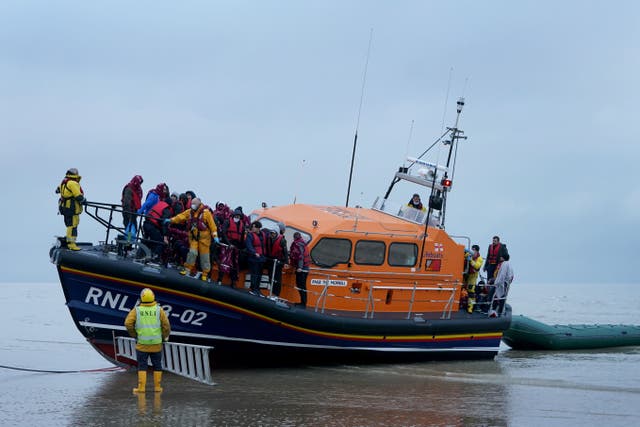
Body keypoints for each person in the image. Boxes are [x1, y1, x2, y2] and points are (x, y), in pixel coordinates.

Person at [124, 288, 171, 393]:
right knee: (157, 365)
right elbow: (166, 326)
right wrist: (164, 337)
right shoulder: (159, 310)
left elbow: (128, 323)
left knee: (142, 366)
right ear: (153, 297)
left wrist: (134, 335)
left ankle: (141, 388)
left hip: (142, 345)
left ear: (141, 298)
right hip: (156, 344)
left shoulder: (137, 310)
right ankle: (158, 388)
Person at [166, 197, 219, 282]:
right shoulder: (189, 212)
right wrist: (171, 220)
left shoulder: (206, 213)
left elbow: (213, 226)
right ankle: (187, 269)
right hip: (194, 238)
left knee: (204, 257)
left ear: (199, 204)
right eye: (192, 204)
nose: (192, 206)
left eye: (194, 204)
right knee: (192, 253)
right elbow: (181, 217)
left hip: (204, 239)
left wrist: (215, 236)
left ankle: (205, 274)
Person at [56, 168, 85, 251]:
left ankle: (69, 241)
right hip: (71, 208)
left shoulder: (64, 181)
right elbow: (78, 195)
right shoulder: (73, 183)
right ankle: (71, 244)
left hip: (64, 207)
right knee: (73, 226)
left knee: (69, 225)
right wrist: (83, 201)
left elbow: (57, 190)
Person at [217, 208, 246, 287]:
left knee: (235, 264)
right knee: (224, 262)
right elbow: (223, 233)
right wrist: (229, 244)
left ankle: (233, 282)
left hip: (236, 247)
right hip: (227, 244)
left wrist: (241, 248)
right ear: (233, 215)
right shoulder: (227, 222)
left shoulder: (242, 226)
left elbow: (242, 238)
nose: (237, 217)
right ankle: (219, 279)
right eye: (236, 216)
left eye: (239, 216)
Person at [265, 223, 288, 297]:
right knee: (270, 277)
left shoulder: (282, 241)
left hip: (278, 262)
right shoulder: (268, 239)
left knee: (277, 279)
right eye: (271, 233)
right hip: (270, 261)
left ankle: (276, 294)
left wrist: (286, 262)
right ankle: (272, 293)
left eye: (274, 233)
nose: (272, 235)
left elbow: (285, 252)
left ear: (277, 233)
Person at [289, 231, 310, 307]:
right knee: (301, 286)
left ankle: (303, 303)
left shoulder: (298, 244)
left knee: (301, 286)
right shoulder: (303, 243)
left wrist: (300, 268)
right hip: (305, 267)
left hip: (302, 268)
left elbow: (300, 256)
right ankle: (303, 302)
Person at [245, 221, 266, 295]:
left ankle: (257, 289)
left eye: (254, 227)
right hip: (253, 258)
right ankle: (253, 288)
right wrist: (254, 253)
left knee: (259, 274)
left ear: (258, 228)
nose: (252, 228)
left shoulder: (263, 235)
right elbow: (249, 245)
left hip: (261, 258)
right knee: (254, 274)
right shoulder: (250, 235)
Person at [121, 175, 144, 242]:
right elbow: (126, 203)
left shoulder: (138, 190)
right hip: (128, 212)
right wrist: (129, 215)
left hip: (134, 212)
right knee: (129, 230)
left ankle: (128, 245)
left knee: (133, 229)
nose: (139, 184)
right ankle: (127, 245)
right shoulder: (129, 189)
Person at [465, 245, 484, 314]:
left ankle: (470, 307)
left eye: (473, 250)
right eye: (471, 249)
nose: (472, 251)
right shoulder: (469, 254)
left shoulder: (480, 259)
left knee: (471, 291)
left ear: (477, 251)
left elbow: (477, 266)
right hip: (466, 274)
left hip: (473, 276)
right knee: (463, 288)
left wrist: (471, 261)